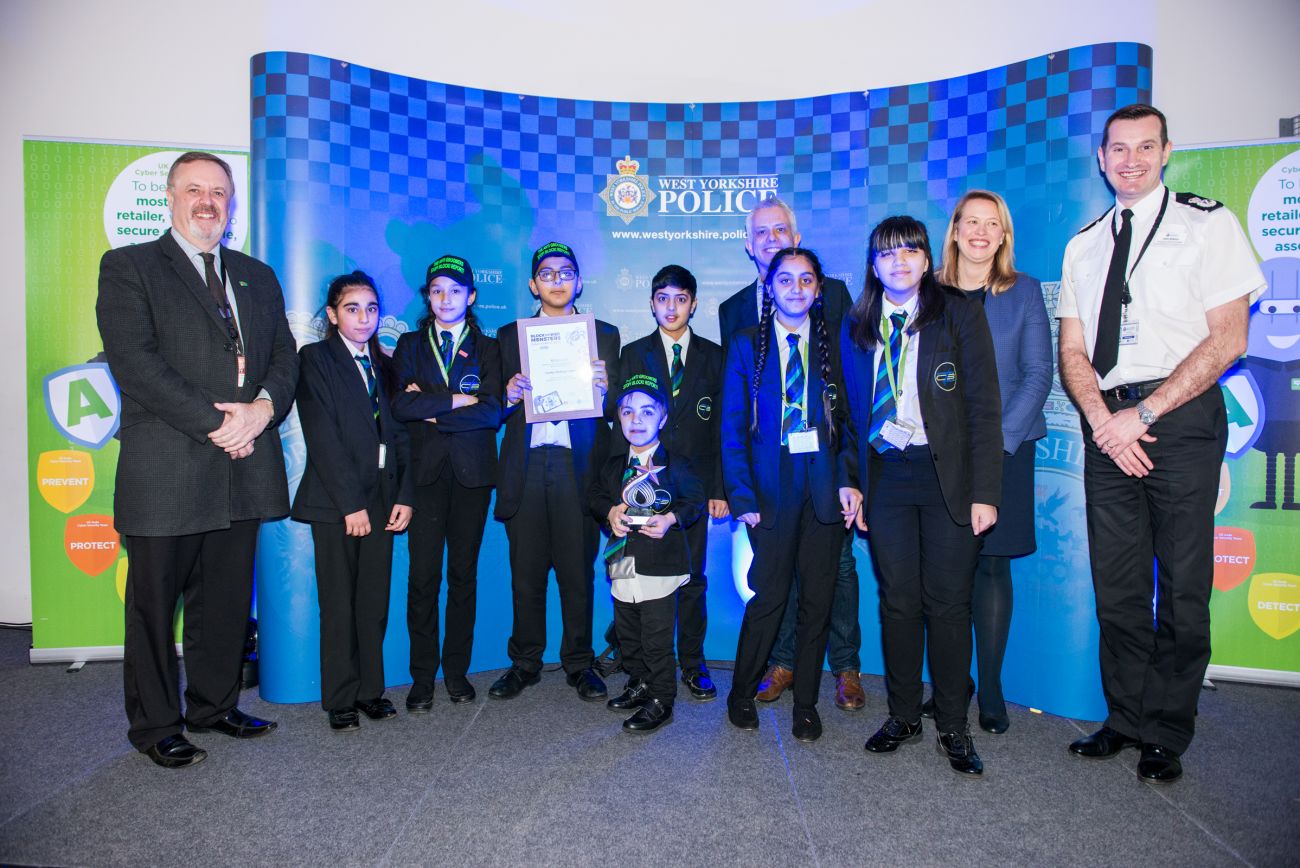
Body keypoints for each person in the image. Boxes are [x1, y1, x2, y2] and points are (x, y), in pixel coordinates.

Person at [1057, 104, 1264, 784]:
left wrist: (1143, 413)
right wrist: (1101, 421)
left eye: (1145, 147)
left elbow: (1230, 337)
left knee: (1180, 587)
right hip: (1107, 425)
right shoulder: (1084, 243)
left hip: (1178, 421)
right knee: (1117, 589)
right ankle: (1125, 719)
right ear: (1101, 158)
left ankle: (1167, 733)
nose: (1131, 160)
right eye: (1118, 149)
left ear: (1167, 151)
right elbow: (1074, 350)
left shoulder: (1208, 224)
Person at [95, 151, 298, 768]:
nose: (207, 202)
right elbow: (136, 364)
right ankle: (156, 725)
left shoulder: (257, 276)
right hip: (169, 468)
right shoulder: (129, 267)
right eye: (194, 190)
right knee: (155, 606)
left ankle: (214, 705)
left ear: (230, 204)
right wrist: (219, 423)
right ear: (171, 197)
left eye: (218, 192)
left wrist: (261, 412)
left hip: (244, 464)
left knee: (227, 599)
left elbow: (285, 359)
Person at [843, 216, 1001, 777]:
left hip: (947, 478)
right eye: (887, 254)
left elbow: (984, 407)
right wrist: (852, 482)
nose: (900, 261)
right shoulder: (858, 323)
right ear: (874, 263)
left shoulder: (958, 311)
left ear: (927, 257)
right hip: (885, 476)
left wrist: (986, 492)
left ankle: (953, 726)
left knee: (950, 604)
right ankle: (906, 716)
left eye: (911, 250)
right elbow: (844, 416)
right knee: (899, 603)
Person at [718, 198, 865, 711]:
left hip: (824, 485)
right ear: (769, 286)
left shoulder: (834, 331)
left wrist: (850, 478)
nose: (795, 289)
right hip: (771, 487)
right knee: (770, 595)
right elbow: (732, 427)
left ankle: (810, 701)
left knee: (823, 596)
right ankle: (744, 691)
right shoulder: (742, 337)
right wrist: (740, 495)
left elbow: (849, 416)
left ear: (818, 287)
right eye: (785, 281)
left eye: (806, 281)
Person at [931, 190, 1053, 734]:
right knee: (942, 573)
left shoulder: (1023, 292)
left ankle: (994, 686)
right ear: (954, 230)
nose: (981, 232)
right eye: (970, 222)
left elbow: (1037, 375)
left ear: (1004, 235)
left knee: (992, 566)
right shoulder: (927, 293)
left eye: (992, 224)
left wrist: (995, 448)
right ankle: (953, 683)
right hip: (936, 456)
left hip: (1005, 449)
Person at [490, 242, 620, 702]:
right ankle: (524, 662)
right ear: (533, 284)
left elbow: (615, 411)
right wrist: (507, 394)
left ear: (579, 281)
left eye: (566, 273)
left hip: (577, 466)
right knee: (525, 574)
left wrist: (604, 391)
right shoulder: (510, 336)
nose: (557, 280)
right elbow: (494, 409)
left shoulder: (603, 334)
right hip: (527, 465)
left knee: (576, 572)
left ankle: (580, 663)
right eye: (547, 274)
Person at [292, 271, 414, 731]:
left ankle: (370, 690)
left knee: (373, 603)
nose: (363, 317)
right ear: (331, 314)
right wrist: (351, 506)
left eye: (371, 308)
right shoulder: (315, 359)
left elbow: (400, 436)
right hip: (336, 505)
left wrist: (405, 496)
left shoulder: (384, 362)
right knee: (339, 603)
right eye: (352, 308)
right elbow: (322, 437)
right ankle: (340, 697)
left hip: (383, 501)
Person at [392, 255, 502, 711]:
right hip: (426, 477)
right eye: (437, 290)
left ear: (471, 296)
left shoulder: (490, 347)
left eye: (455, 290)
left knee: (462, 576)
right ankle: (422, 677)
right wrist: (459, 400)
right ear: (428, 297)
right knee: (422, 578)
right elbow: (399, 406)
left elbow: (493, 411)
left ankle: (456, 672)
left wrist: (433, 409)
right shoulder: (409, 345)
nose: (446, 298)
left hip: (472, 476)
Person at [614, 265, 726, 701]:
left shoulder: (714, 357)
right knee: (630, 574)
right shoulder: (633, 352)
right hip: (637, 484)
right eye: (663, 298)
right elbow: (621, 420)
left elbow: (723, 428)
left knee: (691, 578)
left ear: (694, 304)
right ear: (652, 303)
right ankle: (638, 666)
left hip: (690, 491)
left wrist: (718, 488)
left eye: (681, 299)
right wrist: (614, 489)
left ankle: (693, 663)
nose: (672, 307)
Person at [590, 374, 705, 733]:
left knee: (656, 637)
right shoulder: (612, 466)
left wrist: (670, 517)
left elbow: (694, 501)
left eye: (646, 412)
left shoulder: (678, 464)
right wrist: (609, 512)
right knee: (628, 631)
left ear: (663, 418)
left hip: (660, 564)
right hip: (622, 560)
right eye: (627, 413)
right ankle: (639, 682)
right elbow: (593, 496)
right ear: (618, 419)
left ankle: (662, 699)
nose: (636, 421)